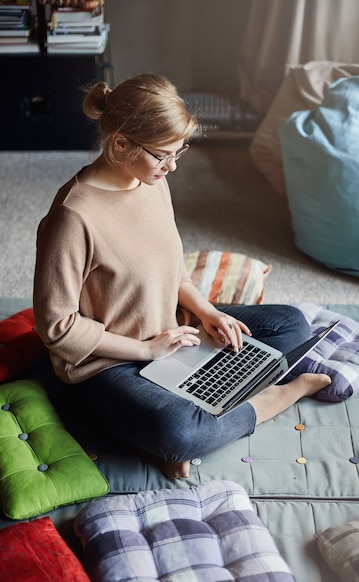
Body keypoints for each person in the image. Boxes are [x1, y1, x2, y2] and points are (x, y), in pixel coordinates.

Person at [33, 74, 330, 479]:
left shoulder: (151, 181)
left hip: (175, 334)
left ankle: (202, 405)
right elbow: (57, 329)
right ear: (121, 143)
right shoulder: (73, 217)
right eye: (163, 155)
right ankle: (271, 399)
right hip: (110, 364)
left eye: (179, 152)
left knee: (291, 325)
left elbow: (171, 270)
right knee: (176, 431)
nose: (172, 166)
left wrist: (208, 313)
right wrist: (148, 351)